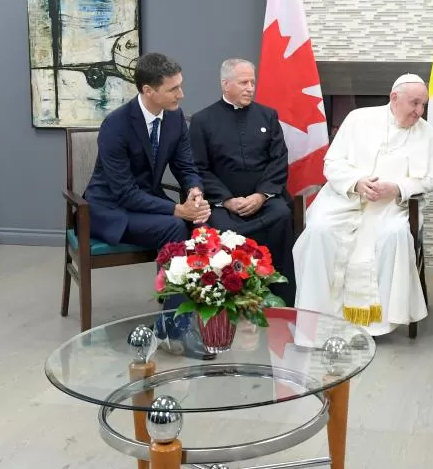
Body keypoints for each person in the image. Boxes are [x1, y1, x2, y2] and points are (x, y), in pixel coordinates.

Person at [292, 74, 433, 336]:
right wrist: (356, 182)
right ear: (394, 98)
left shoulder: (427, 134)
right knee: (319, 231)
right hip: (344, 200)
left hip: (391, 207)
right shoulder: (358, 119)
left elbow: (431, 180)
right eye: (415, 103)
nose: (419, 112)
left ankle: (378, 323)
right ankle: (319, 319)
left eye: (423, 105)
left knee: (393, 235)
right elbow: (332, 163)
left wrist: (397, 188)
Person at [188, 58, 296, 306]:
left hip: (264, 201)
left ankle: (280, 297)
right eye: (243, 82)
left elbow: (279, 160)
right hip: (223, 204)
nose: (250, 87)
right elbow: (198, 167)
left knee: (280, 214)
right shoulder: (203, 120)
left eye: (252, 82)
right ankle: (228, 297)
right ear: (225, 85)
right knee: (218, 227)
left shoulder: (267, 116)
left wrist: (261, 196)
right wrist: (226, 200)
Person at [84, 52, 209, 252]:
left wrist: (195, 191)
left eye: (180, 85)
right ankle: (170, 284)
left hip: (148, 200)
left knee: (202, 226)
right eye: (173, 89)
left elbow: (186, 167)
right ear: (148, 90)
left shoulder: (175, 119)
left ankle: (194, 283)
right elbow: (125, 193)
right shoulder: (115, 126)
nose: (181, 94)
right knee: (175, 227)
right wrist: (177, 210)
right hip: (113, 209)